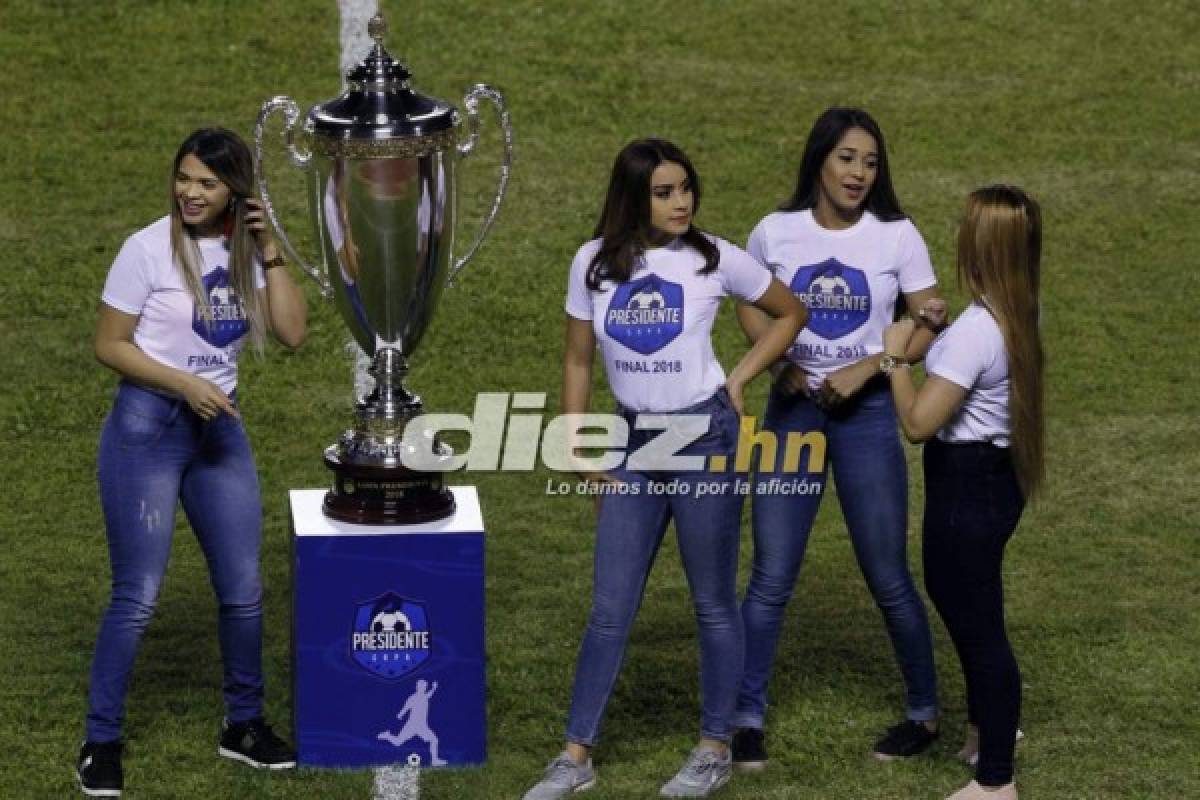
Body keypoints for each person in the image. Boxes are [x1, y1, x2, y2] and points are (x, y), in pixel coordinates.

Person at [522, 138, 806, 799]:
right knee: (610, 607)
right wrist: (583, 450)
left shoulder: (714, 256)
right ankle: (574, 755)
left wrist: (740, 376)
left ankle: (713, 748)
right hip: (630, 442)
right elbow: (576, 362)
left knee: (711, 601)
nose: (682, 202)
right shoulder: (592, 264)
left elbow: (791, 313)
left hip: (705, 433)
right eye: (664, 192)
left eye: (685, 189)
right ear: (633, 198)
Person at [77, 127, 308, 797]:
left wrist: (270, 251)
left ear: (236, 191)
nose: (190, 192)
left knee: (243, 591)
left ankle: (243, 725)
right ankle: (100, 740)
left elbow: (293, 332)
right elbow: (108, 344)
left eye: (207, 182)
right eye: (184, 177)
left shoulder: (245, 250)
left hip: (220, 436)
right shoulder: (146, 249)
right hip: (147, 431)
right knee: (138, 596)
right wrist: (183, 384)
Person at [732, 107, 946, 768]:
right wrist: (781, 363)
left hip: (871, 417)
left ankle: (924, 712)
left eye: (871, 162)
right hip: (793, 414)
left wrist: (872, 367)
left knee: (887, 573)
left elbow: (930, 320)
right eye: (848, 158)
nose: (859, 173)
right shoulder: (775, 232)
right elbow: (745, 298)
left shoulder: (897, 236)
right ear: (819, 160)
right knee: (770, 575)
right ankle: (745, 719)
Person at [882, 185, 1044, 800]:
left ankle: (996, 781)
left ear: (980, 245)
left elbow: (920, 424)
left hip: (965, 489)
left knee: (978, 627)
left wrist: (895, 359)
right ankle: (985, 733)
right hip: (996, 483)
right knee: (978, 611)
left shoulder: (980, 331)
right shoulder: (1020, 310)